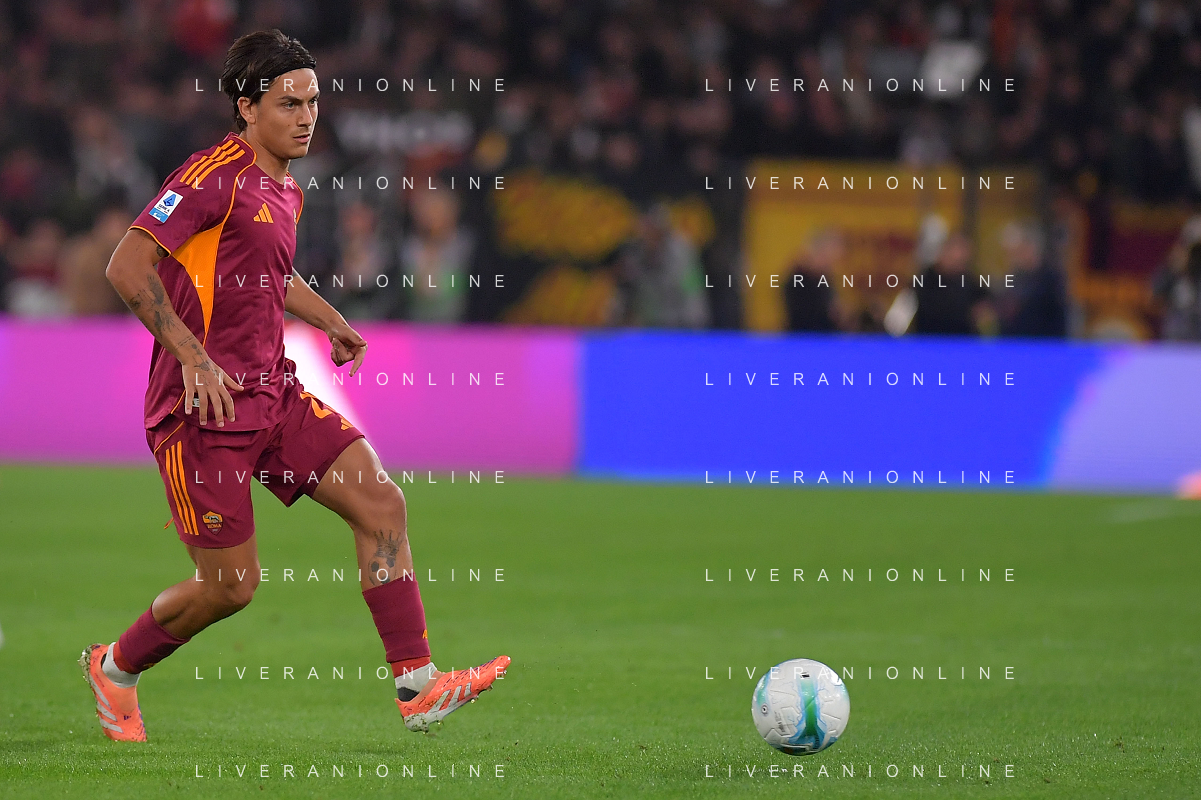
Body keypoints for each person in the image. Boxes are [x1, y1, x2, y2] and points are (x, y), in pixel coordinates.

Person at [80, 30, 508, 743]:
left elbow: (269, 276)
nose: (307, 117)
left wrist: (330, 318)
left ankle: (417, 685)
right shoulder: (211, 176)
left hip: (271, 393)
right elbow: (126, 267)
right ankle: (115, 668)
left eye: (313, 102)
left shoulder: (286, 188)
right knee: (230, 588)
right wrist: (193, 357)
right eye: (289, 103)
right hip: (201, 408)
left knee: (380, 502)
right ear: (247, 107)